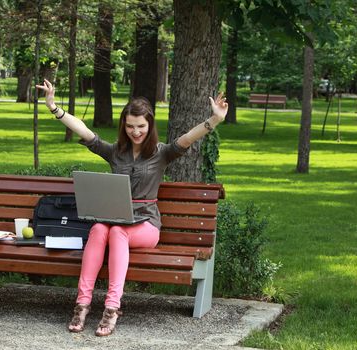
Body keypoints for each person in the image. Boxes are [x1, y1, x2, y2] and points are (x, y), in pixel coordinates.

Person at [36, 79, 228, 336]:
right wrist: (54, 108)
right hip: (115, 220)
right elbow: (85, 132)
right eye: (130, 126)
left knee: (116, 232)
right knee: (99, 229)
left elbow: (187, 138)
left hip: (146, 225)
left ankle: (112, 307)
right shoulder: (116, 152)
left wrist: (213, 120)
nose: (135, 132)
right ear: (123, 126)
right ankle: (82, 303)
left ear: (150, 126)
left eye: (141, 126)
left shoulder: (162, 153)